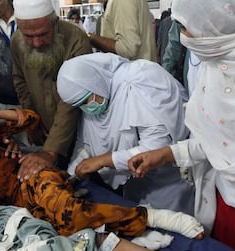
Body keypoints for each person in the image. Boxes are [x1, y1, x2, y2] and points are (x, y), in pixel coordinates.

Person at [0, 108, 205, 251]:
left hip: (35, 177)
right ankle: (149, 249)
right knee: (67, 237)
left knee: (68, 213)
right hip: (23, 208)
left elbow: (30, 119)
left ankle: (150, 217)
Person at [128, 0, 235, 251]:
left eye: (185, 27)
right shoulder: (216, 65)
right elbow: (220, 140)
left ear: (216, 22)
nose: (183, 37)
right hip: (225, 205)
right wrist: (166, 154)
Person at [56, 52, 194, 215]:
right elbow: (85, 141)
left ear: (96, 81)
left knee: (175, 224)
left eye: (86, 100)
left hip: (169, 181)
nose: (87, 107)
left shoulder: (141, 80)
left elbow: (157, 148)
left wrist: (104, 160)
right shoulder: (98, 93)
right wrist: (72, 173)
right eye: (80, 104)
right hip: (136, 183)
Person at [10, 0, 93, 181]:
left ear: (55, 22)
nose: (37, 43)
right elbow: (20, 81)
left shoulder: (76, 39)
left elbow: (72, 100)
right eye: (29, 36)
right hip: (44, 128)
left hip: (80, 131)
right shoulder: (17, 40)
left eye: (42, 34)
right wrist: (31, 120)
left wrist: (50, 151)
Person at [87, 0, 157, 61]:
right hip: (143, 71)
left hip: (134, 73)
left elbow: (128, 49)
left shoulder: (121, 2)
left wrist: (92, 39)